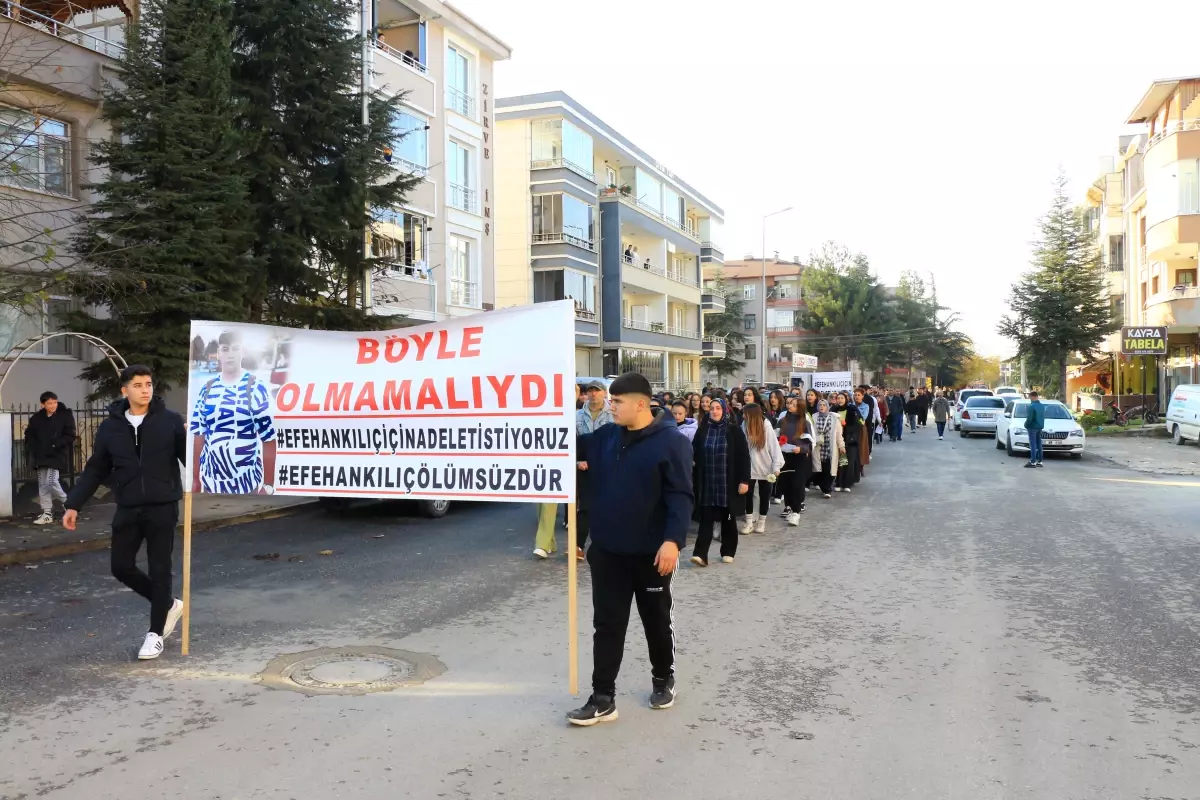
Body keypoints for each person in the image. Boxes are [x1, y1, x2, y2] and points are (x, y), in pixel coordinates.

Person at [568, 373, 693, 726]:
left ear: (640, 403)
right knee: (607, 623)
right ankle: (603, 697)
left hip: (652, 552)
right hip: (608, 551)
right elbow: (568, 446)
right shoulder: (606, 437)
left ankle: (663, 677)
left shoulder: (672, 442)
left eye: (617, 401)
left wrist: (673, 540)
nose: (611, 406)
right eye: (610, 400)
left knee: (655, 618)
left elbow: (681, 495)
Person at [63, 365, 187, 661]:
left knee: (160, 570)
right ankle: (168, 605)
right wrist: (73, 503)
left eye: (149, 384)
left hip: (162, 506)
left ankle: (155, 634)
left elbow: (191, 459)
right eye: (139, 385)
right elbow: (97, 469)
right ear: (125, 390)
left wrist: (196, 441)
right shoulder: (111, 427)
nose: (145, 389)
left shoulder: (170, 422)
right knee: (120, 566)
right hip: (129, 506)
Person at [190, 331, 277, 496]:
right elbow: (199, 436)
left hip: (247, 482)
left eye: (235, 349)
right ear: (219, 353)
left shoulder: (254, 387)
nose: (230, 355)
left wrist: (268, 484)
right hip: (211, 483)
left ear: (242, 352)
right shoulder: (207, 389)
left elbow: (268, 438)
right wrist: (196, 478)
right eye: (225, 349)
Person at [690, 398, 750, 567]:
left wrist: (744, 480)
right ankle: (700, 554)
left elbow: (744, 457)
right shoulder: (703, 430)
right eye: (712, 408)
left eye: (718, 408)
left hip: (727, 482)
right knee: (706, 518)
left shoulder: (734, 431)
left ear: (724, 410)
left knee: (728, 518)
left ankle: (728, 551)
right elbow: (694, 451)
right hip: (708, 481)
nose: (714, 411)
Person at [25, 391, 75, 525]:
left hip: (56, 454)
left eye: (55, 402)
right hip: (40, 455)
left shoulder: (64, 415)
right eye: (49, 403)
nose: (53, 405)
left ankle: (69, 504)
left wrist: (55, 444)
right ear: (43, 404)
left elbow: (70, 435)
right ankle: (47, 513)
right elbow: (29, 435)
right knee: (43, 484)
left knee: (52, 481)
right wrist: (33, 449)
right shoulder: (36, 419)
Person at [740, 404, 783, 535]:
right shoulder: (744, 425)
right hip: (749, 465)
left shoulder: (765, 425)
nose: (743, 416)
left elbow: (773, 446)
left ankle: (761, 521)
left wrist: (776, 466)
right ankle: (748, 522)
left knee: (765, 495)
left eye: (745, 413)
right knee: (748, 494)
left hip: (765, 466)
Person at [777, 396, 816, 524]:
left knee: (797, 484)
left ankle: (796, 512)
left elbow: (809, 443)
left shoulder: (804, 422)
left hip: (798, 457)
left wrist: (801, 448)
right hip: (784, 456)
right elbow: (775, 437)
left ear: (799, 407)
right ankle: (788, 507)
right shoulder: (782, 421)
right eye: (788, 403)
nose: (790, 406)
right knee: (786, 483)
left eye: (793, 404)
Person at [812, 399, 842, 498]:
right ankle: (823, 487)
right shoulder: (814, 417)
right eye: (820, 405)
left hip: (830, 446)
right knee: (819, 469)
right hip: (818, 446)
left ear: (827, 406)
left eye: (824, 405)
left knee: (829, 469)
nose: (822, 407)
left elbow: (838, 434)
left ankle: (827, 490)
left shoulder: (834, 418)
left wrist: (841, 445)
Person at [834, 392, 863, 493]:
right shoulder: (833, 410)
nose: (840, 400)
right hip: (837, 439)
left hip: (851, 440)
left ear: (846, 399)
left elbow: (860, 422)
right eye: (838, 398)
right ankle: (839, 482)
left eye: (842, 398)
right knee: (841, 462)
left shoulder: (852, 409)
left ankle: (847, 483)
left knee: (849, 462)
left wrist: (846, 425)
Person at [1025, 390, 1046, 468]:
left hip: (1032, 427)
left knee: (1033, 444)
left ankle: (1033, 461)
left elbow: (1029, 418)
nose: (1030, 399)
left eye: (1030, 397)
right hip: (1040, 427)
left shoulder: (1031, 406)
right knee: (1039, 443)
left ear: (1032, 397)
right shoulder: (1042, 406)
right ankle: (1040, 461)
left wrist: (1026, 425)